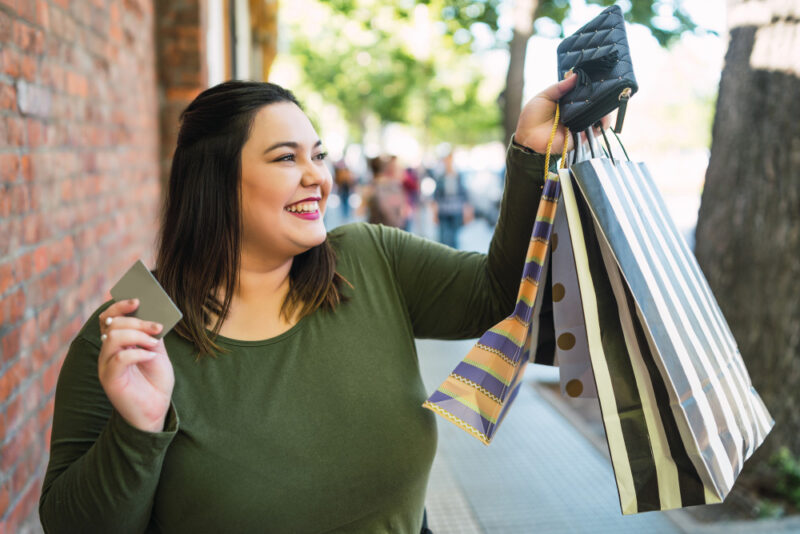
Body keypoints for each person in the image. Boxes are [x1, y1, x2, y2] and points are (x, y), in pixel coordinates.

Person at [39, 74, 581, 533]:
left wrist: (533, 153)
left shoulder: (371, 259)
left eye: (318, 155)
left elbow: (502, 294)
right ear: (216, 183)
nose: (318, 177)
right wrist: (137, 428)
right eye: (285, 158)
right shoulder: (137, 330)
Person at [431, 150, 473, 249]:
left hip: (456, 212)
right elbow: (436, 197)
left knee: (454, 239)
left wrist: (467, 212)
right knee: (443, 238)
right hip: (443, 212)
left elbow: (464, 196)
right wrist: (435, 213)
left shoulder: (459, 177)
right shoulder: (440, 177)